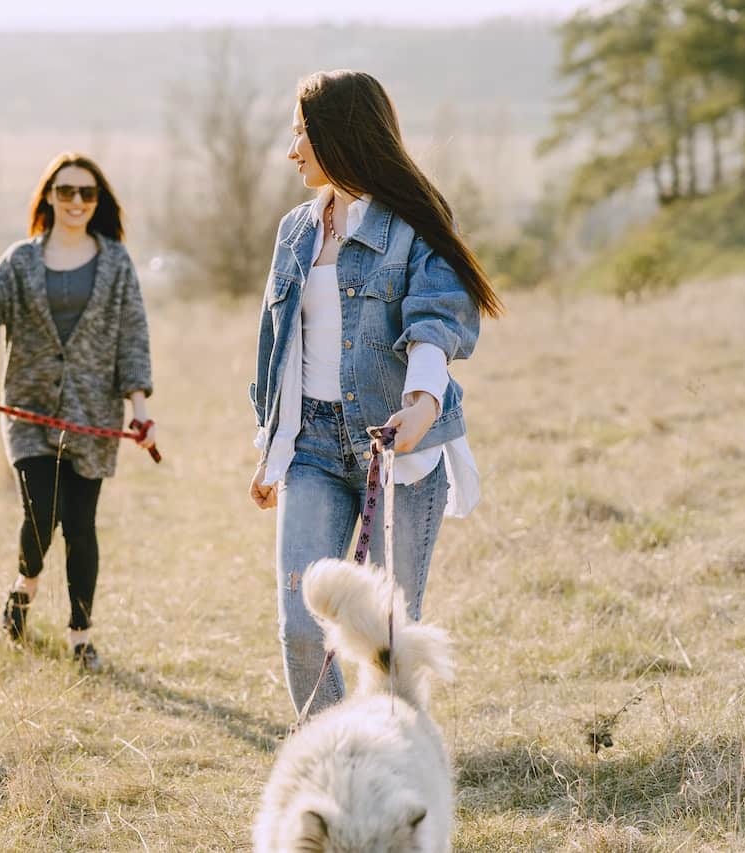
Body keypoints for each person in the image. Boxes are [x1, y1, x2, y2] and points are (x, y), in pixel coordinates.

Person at [248, 70, 504, 720]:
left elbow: (437, 319)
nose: (292, 150)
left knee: (386, 636)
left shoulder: (413, 222)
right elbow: (279, 349)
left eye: (301, 134)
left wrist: (422, 402)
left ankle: (392, 752)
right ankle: (334, 758)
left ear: (338, 136)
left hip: (397, 450)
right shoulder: (296, 231)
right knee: (303, 625)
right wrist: (272, 448)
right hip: (311, 447)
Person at [0, 152, 155, 672]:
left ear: (98, 201)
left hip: (93, 416)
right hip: (28, 412)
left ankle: (81, 636)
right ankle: (26, 584)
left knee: (81, 525)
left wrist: (139, 409)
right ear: (48, 197)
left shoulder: (116, 262)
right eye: (66, 192)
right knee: (41, 513)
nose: (77, 203)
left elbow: (133, 338)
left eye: (88, 194)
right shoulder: (19, 262)